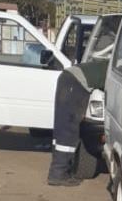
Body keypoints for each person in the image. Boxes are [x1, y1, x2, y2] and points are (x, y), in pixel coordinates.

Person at [46, 58, 109, 186]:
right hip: (73, 82)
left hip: (68, 78)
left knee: (62, 127)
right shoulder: (115, 70)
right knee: (68, 130)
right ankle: (58, 175)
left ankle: (59, 171)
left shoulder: (108, 64)